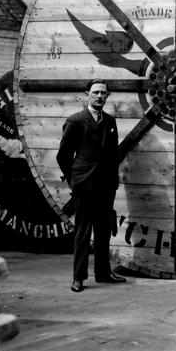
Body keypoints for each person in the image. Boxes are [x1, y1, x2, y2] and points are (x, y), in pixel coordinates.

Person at [57, 78, 126, 292]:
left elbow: (113, 155)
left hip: (106, 186)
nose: (99, 96)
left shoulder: (110, 121)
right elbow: (63, 156)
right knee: (83, 233)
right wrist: (74, 180)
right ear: (87, 94)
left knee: (103, 231)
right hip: (84, 185)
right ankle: (78, 278)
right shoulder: (75, 121)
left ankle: (103, 273)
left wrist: (113, 180)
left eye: (103, 93)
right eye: (95, 92)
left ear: (107, 96)